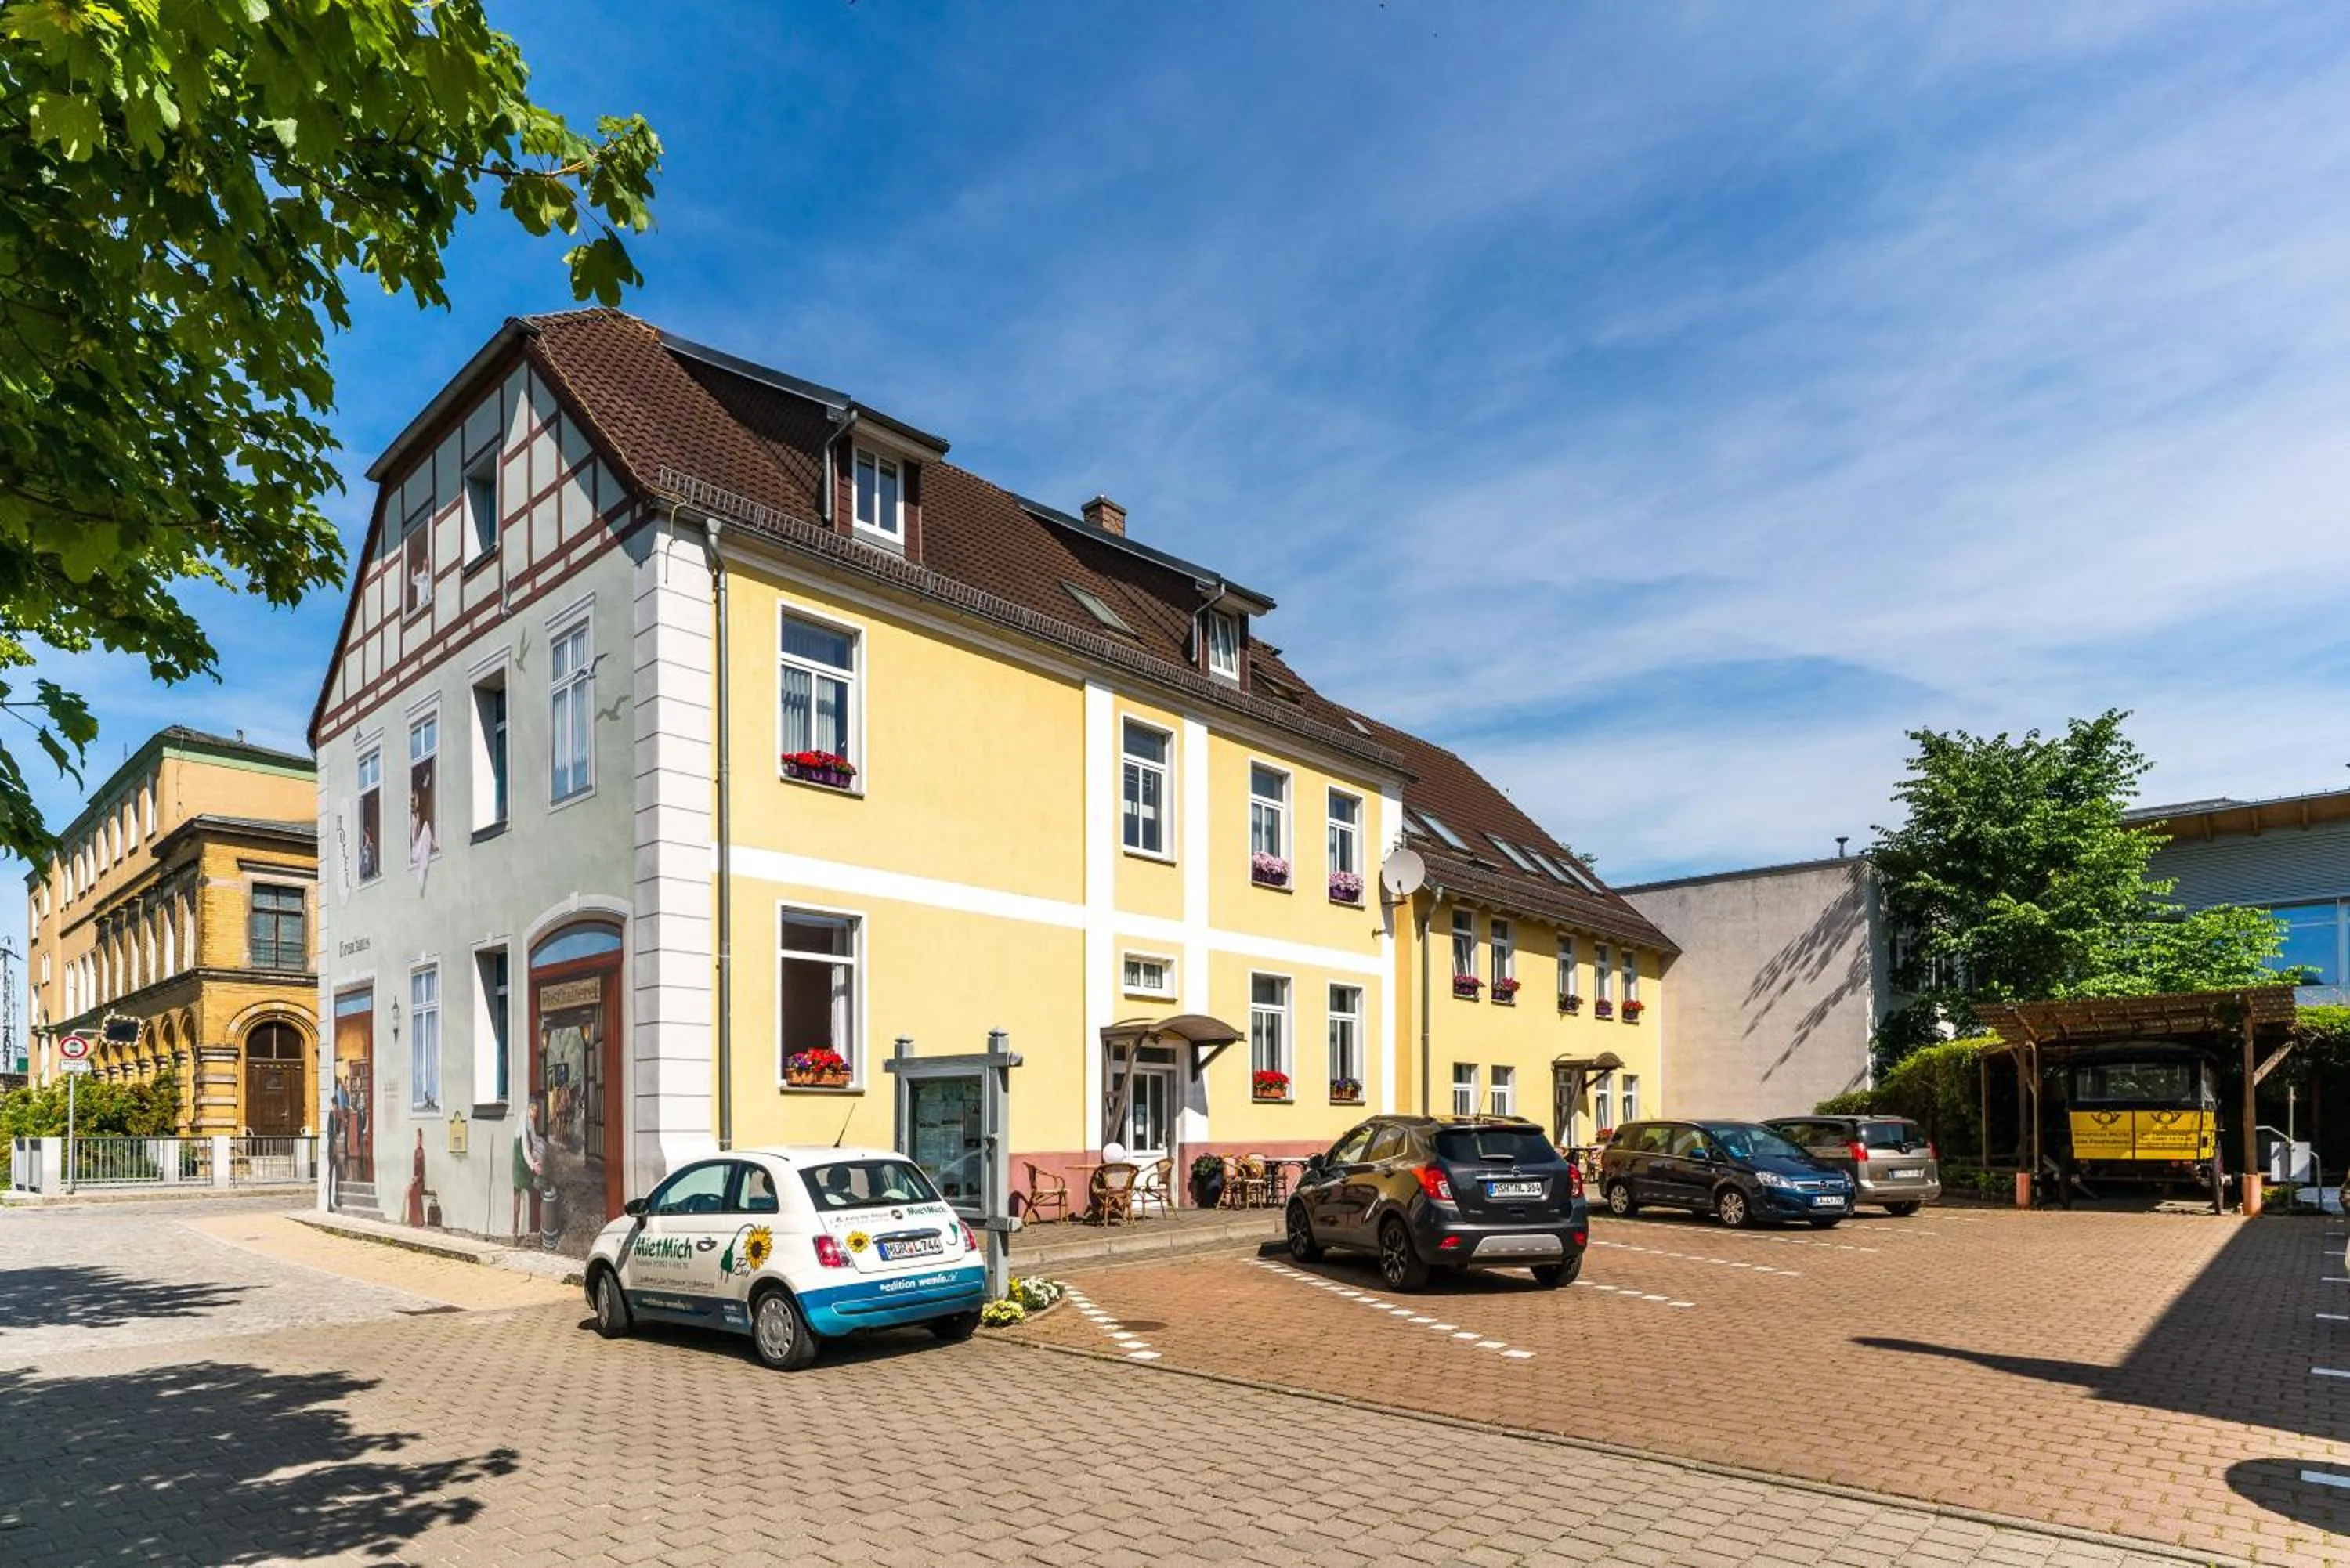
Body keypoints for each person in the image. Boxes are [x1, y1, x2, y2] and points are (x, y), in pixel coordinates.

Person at [512, 1098, 547, 1241]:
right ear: (529, 1109)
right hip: (520, 1162)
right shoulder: (523, 1118)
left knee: (533, 1192)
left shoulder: (531, 1122)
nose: (536, 1114)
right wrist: (533, 1165)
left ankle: (530, 1231)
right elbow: (525, 1147)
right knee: (517, 1195)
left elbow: (534, 1140)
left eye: (537, 1112)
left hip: (527, 1162)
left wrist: (542, 1149)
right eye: (534, 1111)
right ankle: (514, 1233)